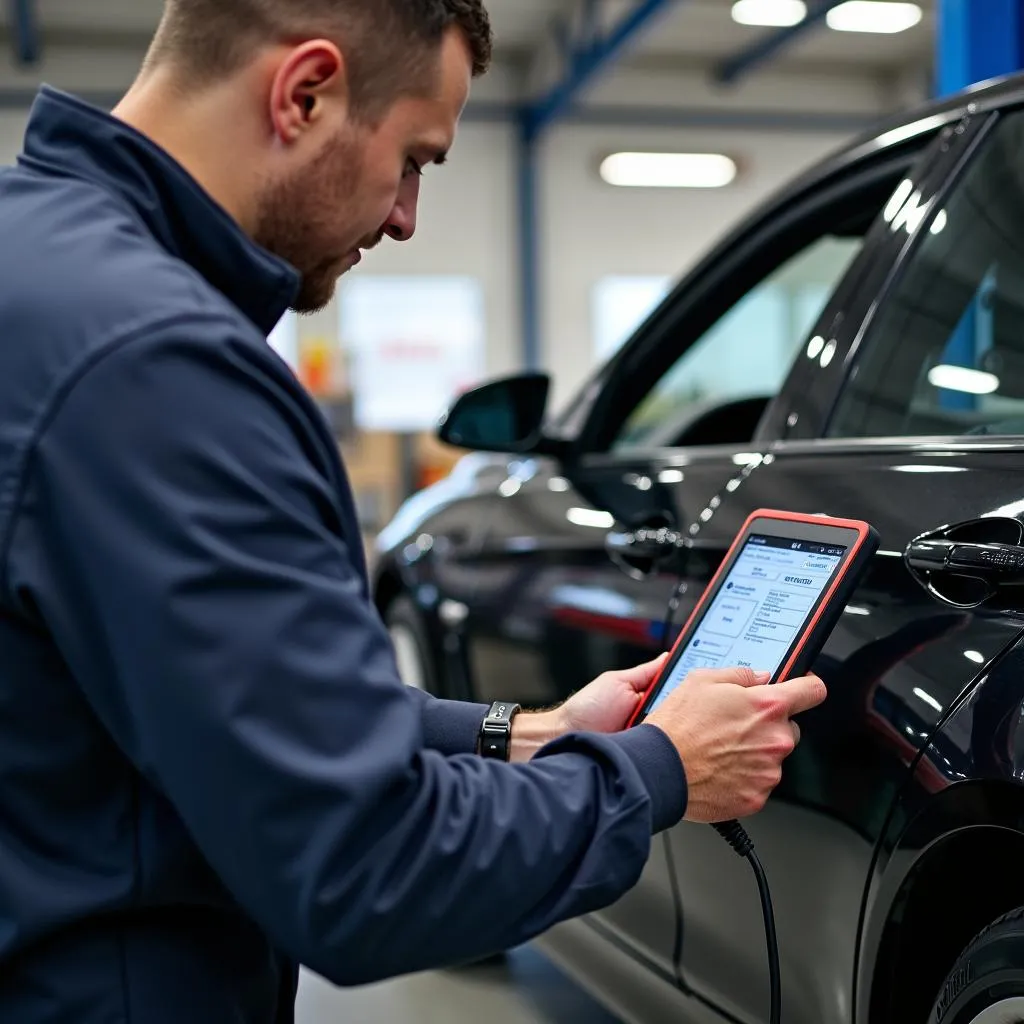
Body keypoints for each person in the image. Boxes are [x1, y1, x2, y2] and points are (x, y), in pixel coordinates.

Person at [0, 1, 827, 1021]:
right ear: (305, 93)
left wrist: (526, 733)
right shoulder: (162, 369)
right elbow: (363, 867)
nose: (404, 217)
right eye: (416, 159)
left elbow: (218, 704)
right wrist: (658, 769)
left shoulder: (32, 263)